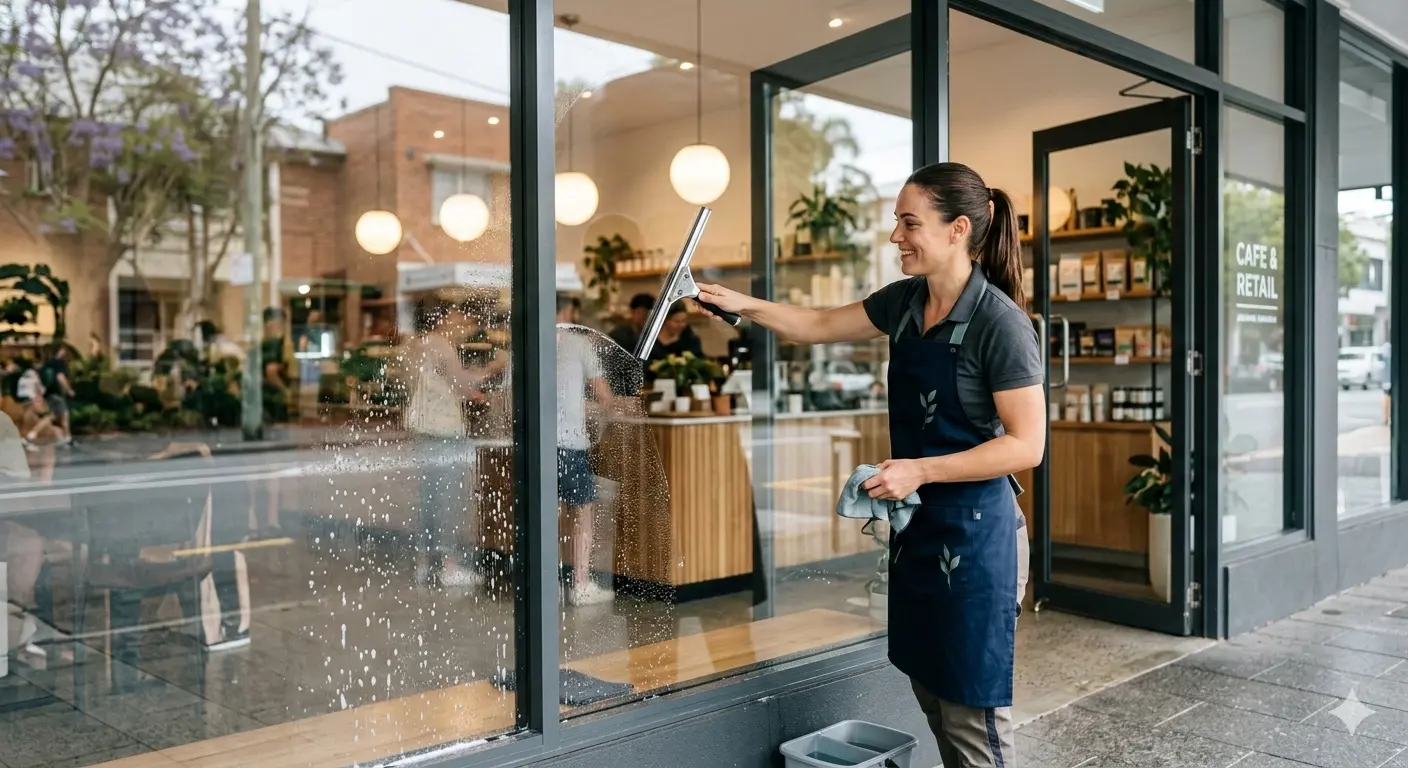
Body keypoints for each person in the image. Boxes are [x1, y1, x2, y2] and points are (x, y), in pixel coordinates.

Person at [697, 162, 1046, 768]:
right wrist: (738, 303)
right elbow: (816, 324)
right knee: (931, 694)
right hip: (921, 534)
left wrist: (919, 471)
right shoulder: (906, 302)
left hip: (979, 538)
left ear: (958, 228)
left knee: (971, 713)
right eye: (897, 223)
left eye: (910, 223)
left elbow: (1026, 446)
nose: (896, 238)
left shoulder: (1001, 324)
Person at [404, 300, 484, 588]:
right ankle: (449, 566)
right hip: (445, 431)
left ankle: (424, 564)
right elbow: (462, 385)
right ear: (439, 318)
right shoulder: (441, 346)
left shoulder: (414, 346)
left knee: (428, 500)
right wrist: (491, 370)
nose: (455, 318)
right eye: (450, 314)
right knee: (449, 500)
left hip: (423, 430)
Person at [556, 296, 615, 606]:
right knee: (583, 510)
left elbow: (507, 397)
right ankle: (580, 584)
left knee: (543, 513)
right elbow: (604, 397)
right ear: (568, 312)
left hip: (534, 445)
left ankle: (547, 582)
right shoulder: (580, 343)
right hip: (569, 443)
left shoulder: (525, 342)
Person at [39, 347, 73, 447]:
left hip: (48, 394)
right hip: (56, 393)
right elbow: (60, 377)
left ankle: (65, 438)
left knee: (53, 416)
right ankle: (67, 438)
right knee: (64, 415)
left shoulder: (47, 364)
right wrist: (69, 390)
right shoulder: (59, 363)